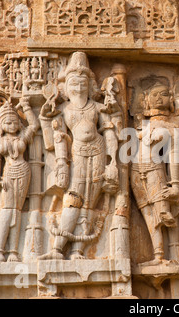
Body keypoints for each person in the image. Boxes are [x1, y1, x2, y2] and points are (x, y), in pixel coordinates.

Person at [38, 52, 119, 260]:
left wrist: (112, 163)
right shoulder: (64, 109)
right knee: (73, 198)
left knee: (90, 201)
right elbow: (57, 136)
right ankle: (57, 248)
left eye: (83, 84)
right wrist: (61, 163)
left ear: (90, 86)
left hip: (98, 153)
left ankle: (78, 251)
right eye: (74, 84)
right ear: (66, 87)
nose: (79, 88)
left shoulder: (98, 108)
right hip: (78, 155)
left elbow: (109, 133)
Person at [130, 79, 179, 266]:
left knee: (164, 213)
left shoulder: (172, 127)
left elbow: (175, 157)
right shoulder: (140, 125)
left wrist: (175, 185)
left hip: (155, 169)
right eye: (154, 95)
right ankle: (158, 255)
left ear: (171, 100)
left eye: (164, 94)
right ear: (146, 100)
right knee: (147, 213)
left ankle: (173, 257)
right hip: (135, 170)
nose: (159, 98)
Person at [0, 97, 39, 262]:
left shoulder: (22, 138)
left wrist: (25, 106)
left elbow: (34, 126)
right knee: (6, 210)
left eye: (15, 122)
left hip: (24, 171)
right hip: (7, 174)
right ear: (1, 125)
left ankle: (13, 252)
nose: (12, 125)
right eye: (8, 123)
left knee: (17, 211)